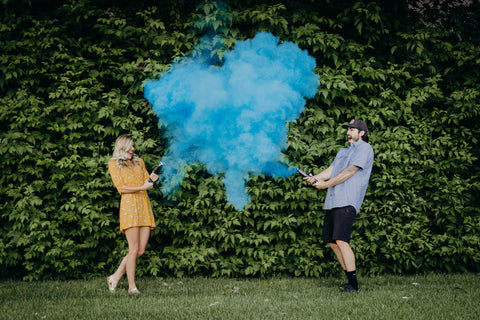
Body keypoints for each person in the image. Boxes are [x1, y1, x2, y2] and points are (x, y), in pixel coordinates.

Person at [304, 119, 374, 293]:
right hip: (333, 201)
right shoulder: (343, 151)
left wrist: (324, 185)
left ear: (362, 133)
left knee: (341, 240)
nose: (348, 132)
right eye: (348, 129)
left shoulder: (365, 149)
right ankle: (349, 281)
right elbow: (332, 170)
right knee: (332, 242)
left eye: (352, 129)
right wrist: (316, 179)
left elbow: (350, 171)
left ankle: (353, 285)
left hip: (347, 200)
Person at [107, 135, 159, 294]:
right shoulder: (114, 164)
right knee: (133, 249)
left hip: (143, 205)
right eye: (129, 147)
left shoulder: (139, 162)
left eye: (133, 147)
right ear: (121, 147)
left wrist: (153, 178)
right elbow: (121, 188)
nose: (132, 149)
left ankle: (114, 277)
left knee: (140, 250)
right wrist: (143, 187)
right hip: (130, 207)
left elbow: (146, 182)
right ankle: (132, 287)